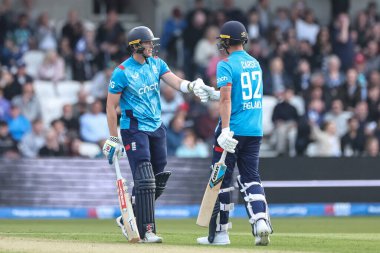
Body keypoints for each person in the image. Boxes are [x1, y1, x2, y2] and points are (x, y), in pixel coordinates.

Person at [102, 26, 210, 243]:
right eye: (148, 42)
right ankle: (147, 231)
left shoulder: (157, 64)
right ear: (136, 46)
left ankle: (128, 217)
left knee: (157, 179)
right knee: (144, 176)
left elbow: (176, 82)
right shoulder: (122, 72)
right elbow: (110, 107)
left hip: (156, 127)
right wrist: (114, 138)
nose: (152, 46)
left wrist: (192, 86)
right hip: (134, 129)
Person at [195, 21, 273, 246]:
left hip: (233, 129)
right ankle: (260, 222)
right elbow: (237, 93)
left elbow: (228, 98)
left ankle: (220, 234)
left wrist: (226, 129)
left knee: (222, 179)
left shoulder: (225, 64)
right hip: (254, 130)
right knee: (251, 177)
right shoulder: (255, 63)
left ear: (227, 42)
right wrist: (213, 93)